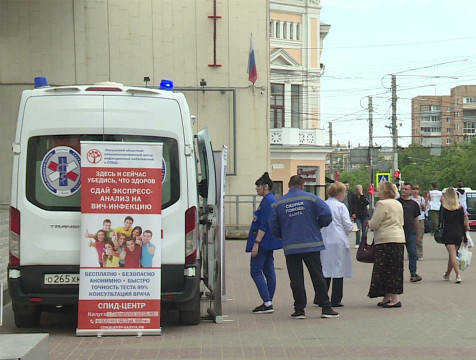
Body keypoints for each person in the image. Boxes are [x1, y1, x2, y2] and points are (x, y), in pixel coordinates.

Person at [270, 175, 338, 319]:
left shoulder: (279, 203)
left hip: (291, 246)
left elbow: (273, 226)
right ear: (302, 185)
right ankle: (326, 307)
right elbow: (326, 214)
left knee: (296, 278)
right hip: (311, 244)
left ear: (289, 185)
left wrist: (283, 235)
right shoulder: (311, 198)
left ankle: (299, 309)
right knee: (317, 276)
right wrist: (317, 226)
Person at [246, 172, 282, 314]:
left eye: (258, 186)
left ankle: (267, 302)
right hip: (269, 241)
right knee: (268, 270)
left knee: (255, 271)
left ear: (265, 186)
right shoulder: (271, 199)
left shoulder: (267, 201)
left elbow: (264, 224)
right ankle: (268, 301)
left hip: (263, 242)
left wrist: (256, 243)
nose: (256, 189)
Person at [368, 181, 405, 308]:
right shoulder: (398, 203)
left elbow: (375, 223)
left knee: (386, 269)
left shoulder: (382, 204)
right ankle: (387, 297)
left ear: (383, 191)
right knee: (395, 267)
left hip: (386, 239)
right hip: (399, 238)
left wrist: (369, 224)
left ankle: (395, 298)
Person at [320, 182, 354, 307]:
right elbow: (347, 224)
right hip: (338, 240)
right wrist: (351, 228)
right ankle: (336, 299)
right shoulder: (341, 206)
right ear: (340, 193)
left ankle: (320, 297)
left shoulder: (322, 205)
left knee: (325, 269)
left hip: (324, 240)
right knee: (338, 270)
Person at [397, 183, 422, 283]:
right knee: (399, 254)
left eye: (406, 189)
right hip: (398, 232)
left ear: (411, 191)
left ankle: (413, 273)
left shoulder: (414, 204)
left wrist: (418, 234)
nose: (404, 191)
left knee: (412, 253)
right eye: (403, 189)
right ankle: (398, 274)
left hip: (410, 232)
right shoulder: (397, 203)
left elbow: (416, 220)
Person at [441, 187, 467, 283]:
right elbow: (462, 223)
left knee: (452, 255)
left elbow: (440, 222)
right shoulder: (460, 208)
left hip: (448, 232)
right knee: (452, 255)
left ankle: (458, 275)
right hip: (458, 233)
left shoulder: (443, 207)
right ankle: (447, 274)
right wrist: (465, 237)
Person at [411, 185, 426, 260]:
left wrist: (423, 206)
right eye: (413, 189)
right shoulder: (410, 199)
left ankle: (419, 254)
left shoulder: (421, 199)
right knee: (411, 237)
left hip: (420, 219)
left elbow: (425, 209)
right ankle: (412, 253)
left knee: (419, 236)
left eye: (417, 189)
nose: (415, 191)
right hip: (411, 219)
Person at [354, 185, 370, 249]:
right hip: (357, 215)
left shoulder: (364, 196)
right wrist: (353, 213)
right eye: (358, 189)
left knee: (364, 229)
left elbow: (367, 203)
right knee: (357, 229)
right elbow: (353, 205)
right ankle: (357, 242)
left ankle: (363, 243)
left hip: (364, 215)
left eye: (360, 189)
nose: (359, 191)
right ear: (356, 190)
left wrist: (362, 195)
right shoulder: (354, 197)